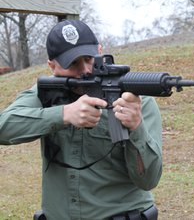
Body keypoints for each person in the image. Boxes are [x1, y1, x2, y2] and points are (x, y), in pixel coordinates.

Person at [0, 20, 163, 220]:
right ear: (52, 66)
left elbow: (149, 179)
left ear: (100, 51)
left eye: (88, 58)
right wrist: (63, 114)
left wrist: (136, 127)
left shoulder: (137, 101)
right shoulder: (47, 93)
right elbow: (4, 126)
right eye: (73, 63)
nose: (85, 70)